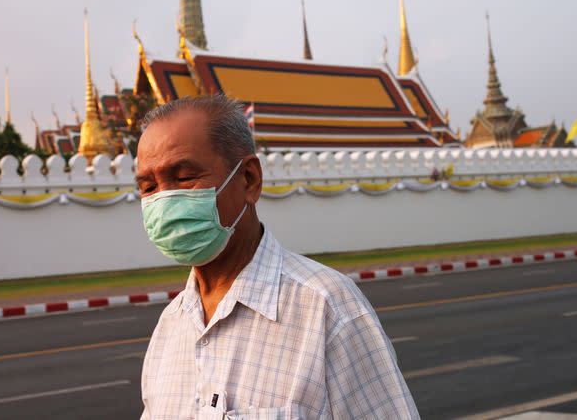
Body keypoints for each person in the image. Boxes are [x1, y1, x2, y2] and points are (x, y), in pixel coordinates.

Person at [137, 95, 419, 419]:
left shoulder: (327, 309)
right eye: (148, 187)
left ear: (249, 180)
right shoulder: (171, 326)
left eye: (184, 177)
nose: (164, 200)